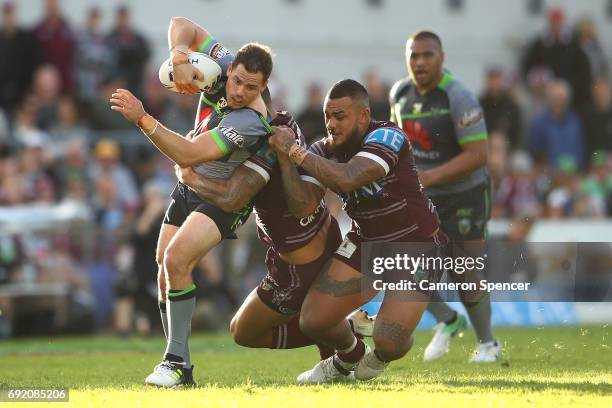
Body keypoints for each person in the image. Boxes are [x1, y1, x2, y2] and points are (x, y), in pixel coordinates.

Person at [110, 17, 273, 387]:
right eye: (236, 81)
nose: (238, 92)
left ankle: (177, 363)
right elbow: (182, 24)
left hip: (221, 199)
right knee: (163, 269)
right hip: (188, 188)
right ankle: (175, 361)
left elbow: (189, 151)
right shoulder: (225, 66)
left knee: (176, 259)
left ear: (263, 87)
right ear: (229, 70)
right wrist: (180, 57)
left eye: (251, 87)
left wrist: (143, 119)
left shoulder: (251, 120)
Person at [268, 79, 446, 383]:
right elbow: (302, 207)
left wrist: (296, 154)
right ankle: (348, 356)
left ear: (363, 116)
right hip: (367, 243)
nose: (331, 124)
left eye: (340, 116)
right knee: (313, 320)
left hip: (416, 246)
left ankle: (386, 344)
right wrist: (286, 162)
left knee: (389, 341)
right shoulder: (322, 149)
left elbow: (350, 178)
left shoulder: (387, 135)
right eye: (327, 116)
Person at [176, 111, 373, 358]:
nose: (236, 92)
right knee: (324, 338)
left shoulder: (264, 137)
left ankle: (350, 338)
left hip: (298, 265)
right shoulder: (283, 120)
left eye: (246, 85)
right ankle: (346, 346)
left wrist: (191, 176)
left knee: (243, 331)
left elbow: (232, 198)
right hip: (317, 236)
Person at [389, 30, 499, 362]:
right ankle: (447, 321)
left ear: (442, 58)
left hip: (466, 195)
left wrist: (429, 176)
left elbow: (479, 154)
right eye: (414, 56)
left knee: (463, 269)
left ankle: (488, 345)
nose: (420, 62)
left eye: (427, 55)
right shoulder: (399, 94)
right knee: (401, 264)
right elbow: (401, 145)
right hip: (424, 198)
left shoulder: (458, 97)